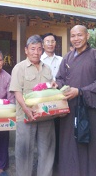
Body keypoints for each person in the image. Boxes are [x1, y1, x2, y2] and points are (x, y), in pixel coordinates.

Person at [55, 25, 96, 176]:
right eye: (73, 36)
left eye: (79, 35)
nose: (76, 39)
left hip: (89, 108)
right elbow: (60, 78)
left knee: (91, 143)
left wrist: (80, 92)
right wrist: (57, 85)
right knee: (69, 144)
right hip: (70, 108)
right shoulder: (67, 57)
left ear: (87, 36)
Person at [9, 34, 56, 176]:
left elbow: (49, 89)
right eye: (33, 49)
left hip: (45, 117)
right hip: (25, 116)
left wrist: (53, 85)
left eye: (39, 49)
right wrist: (26, 109)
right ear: (26, 50)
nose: (36, 52)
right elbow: (17, 92)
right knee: (24, 153)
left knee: (47, 151)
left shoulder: (47, 68)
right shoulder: (19, 68)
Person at [40, 32, 63, 167]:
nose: (50, 44)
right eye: (47, 41)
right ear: (43, 45)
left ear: (55, 43)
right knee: (45, 132)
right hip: (44, 100)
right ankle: (44, 161)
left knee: (59, 130)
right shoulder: (39, 60)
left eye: (52, 41)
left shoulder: (61, 60)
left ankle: (57, 161)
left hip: (59, 100)